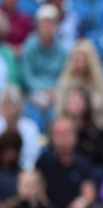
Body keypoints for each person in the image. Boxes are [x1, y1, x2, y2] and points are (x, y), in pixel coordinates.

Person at [36, 117, 103, 208]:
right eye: (58, 134)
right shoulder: (43, 163)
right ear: (51, 137)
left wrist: (81, 203)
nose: (63, 139)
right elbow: (38, 192)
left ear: (75, 136)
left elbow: (89, 191)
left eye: (67, 133)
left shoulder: (84, 163)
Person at [21, 4, 67, 132]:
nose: (47, 28)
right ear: (38, 26)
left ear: (56, 26)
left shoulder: (63, 49)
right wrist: (42, 89)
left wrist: (55, 90)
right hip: (33, 93)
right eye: (44, 24)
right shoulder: (29, 45)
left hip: (56, 92)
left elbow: (65, 75)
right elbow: (27, 75)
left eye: (51, 24)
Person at [56, 38, 103, 130]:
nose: (81, 64)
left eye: (84, 60)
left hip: (95, 127)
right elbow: (59, 109)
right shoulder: (65, 81)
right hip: (69, 128)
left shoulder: (100, 82)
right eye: (77, 60)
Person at [0, 87, 40, 170]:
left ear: (19, 108)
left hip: (23, 172)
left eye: (12, 107)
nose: (9, 112)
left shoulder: (30, 127)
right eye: (6, 107)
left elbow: (32, 157)